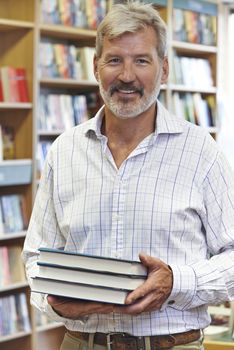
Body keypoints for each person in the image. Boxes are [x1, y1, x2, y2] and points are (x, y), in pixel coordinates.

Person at [22, 1, 234, 350]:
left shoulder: (200, 151)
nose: (126, 76)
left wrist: (176, 281)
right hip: (81, 342)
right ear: (96, 67)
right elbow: (36, 257)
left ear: (164, 69)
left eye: (141, 60)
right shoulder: (64, 150)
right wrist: (52, 300)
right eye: (114, 59)